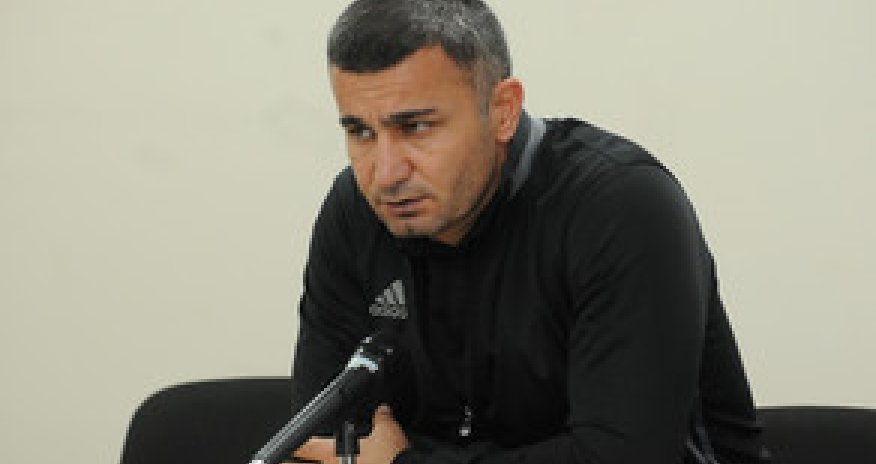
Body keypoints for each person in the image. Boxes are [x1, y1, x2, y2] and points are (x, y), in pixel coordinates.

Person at [288, 1, 769, 463]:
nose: (386, 173)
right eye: (361, 133)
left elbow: (622, 458)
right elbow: (323, 446)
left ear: (503, 111)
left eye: (415, 127)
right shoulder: (355, 210)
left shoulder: (620, 206)